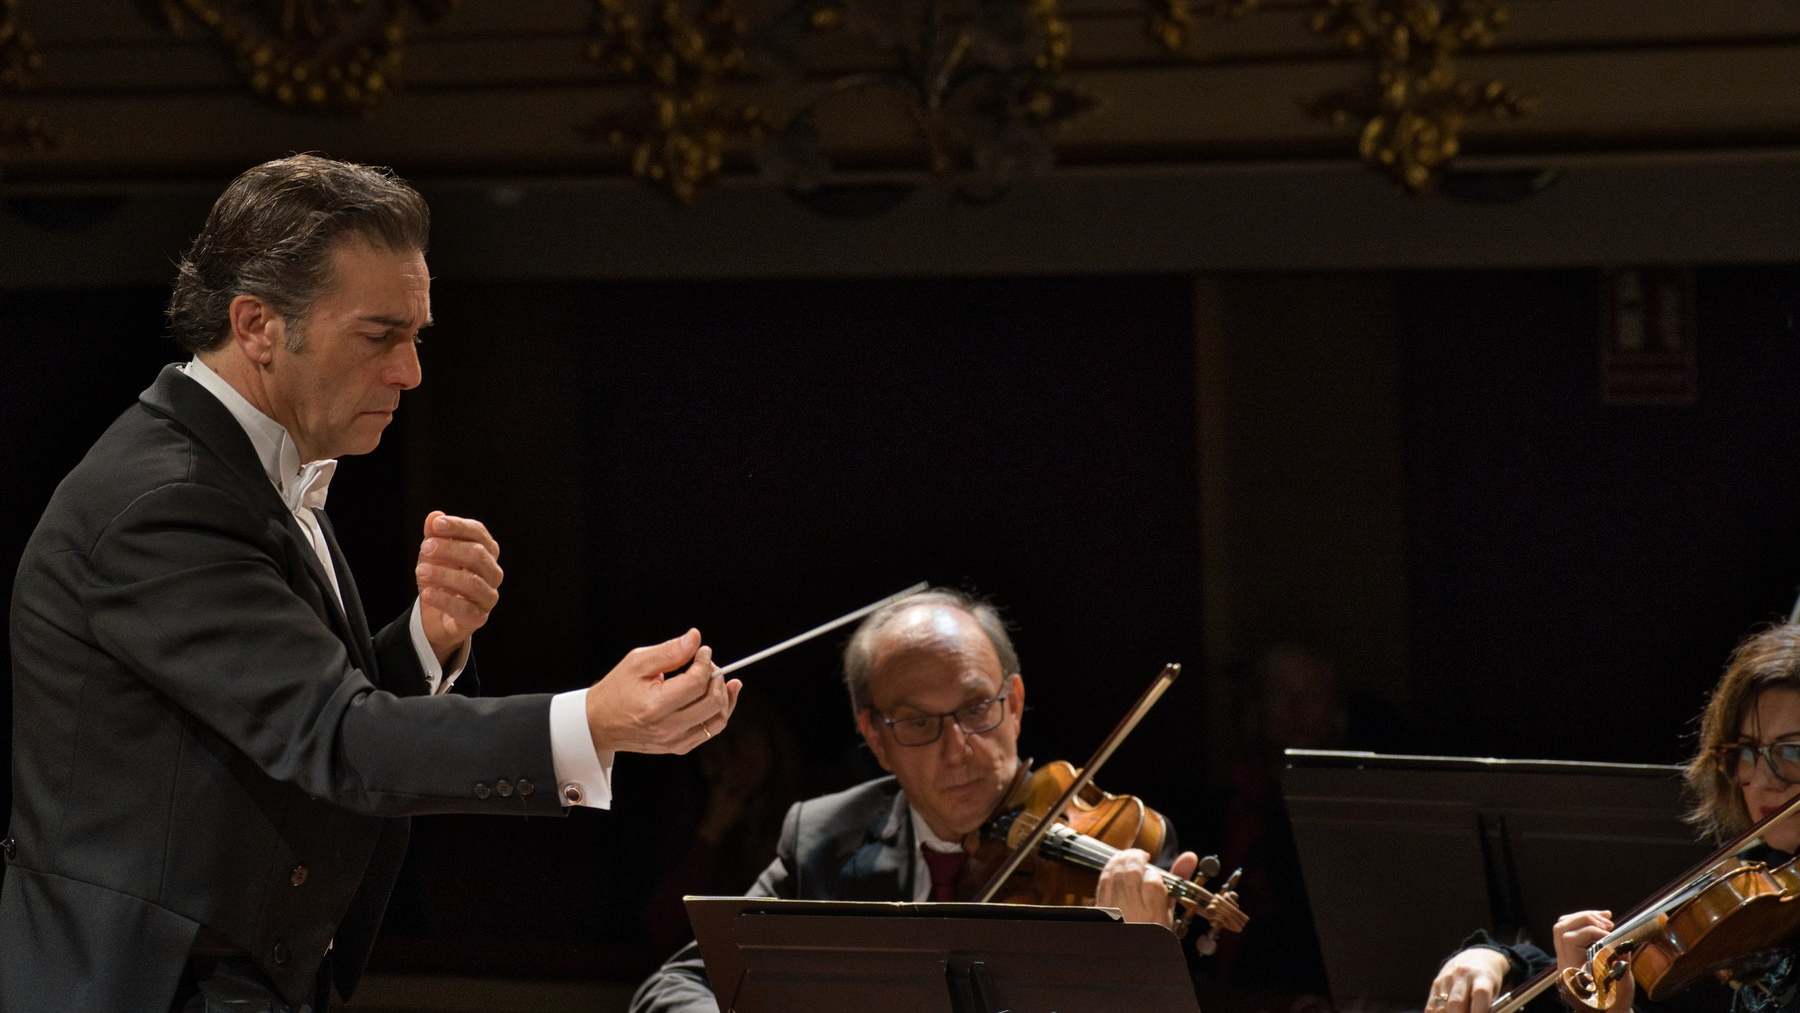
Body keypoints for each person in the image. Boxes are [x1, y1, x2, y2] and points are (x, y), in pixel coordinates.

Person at [0, 154, 742, 1012]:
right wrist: (591, 722)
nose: (410, 373)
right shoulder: (163, 502)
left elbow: (289, 721)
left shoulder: (248, 468)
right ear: (257, 325)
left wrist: (426, 640)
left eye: (415, 337)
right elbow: (335, 740)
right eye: (379, 335)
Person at [629, 587, 1203, 1013]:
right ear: (876, 737)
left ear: (1016, 701)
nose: (959, 751)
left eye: (978, 708)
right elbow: (673, 988)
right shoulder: (826, 837)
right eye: (917, 723)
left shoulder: (1116, 845)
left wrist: (1139, 965)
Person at [1425, 624, 1800, 1013]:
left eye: (1792, 752)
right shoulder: (1754, 891)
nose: (1762, 781)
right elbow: (1600, 975)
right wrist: (1497, 960)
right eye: (1747, 751)